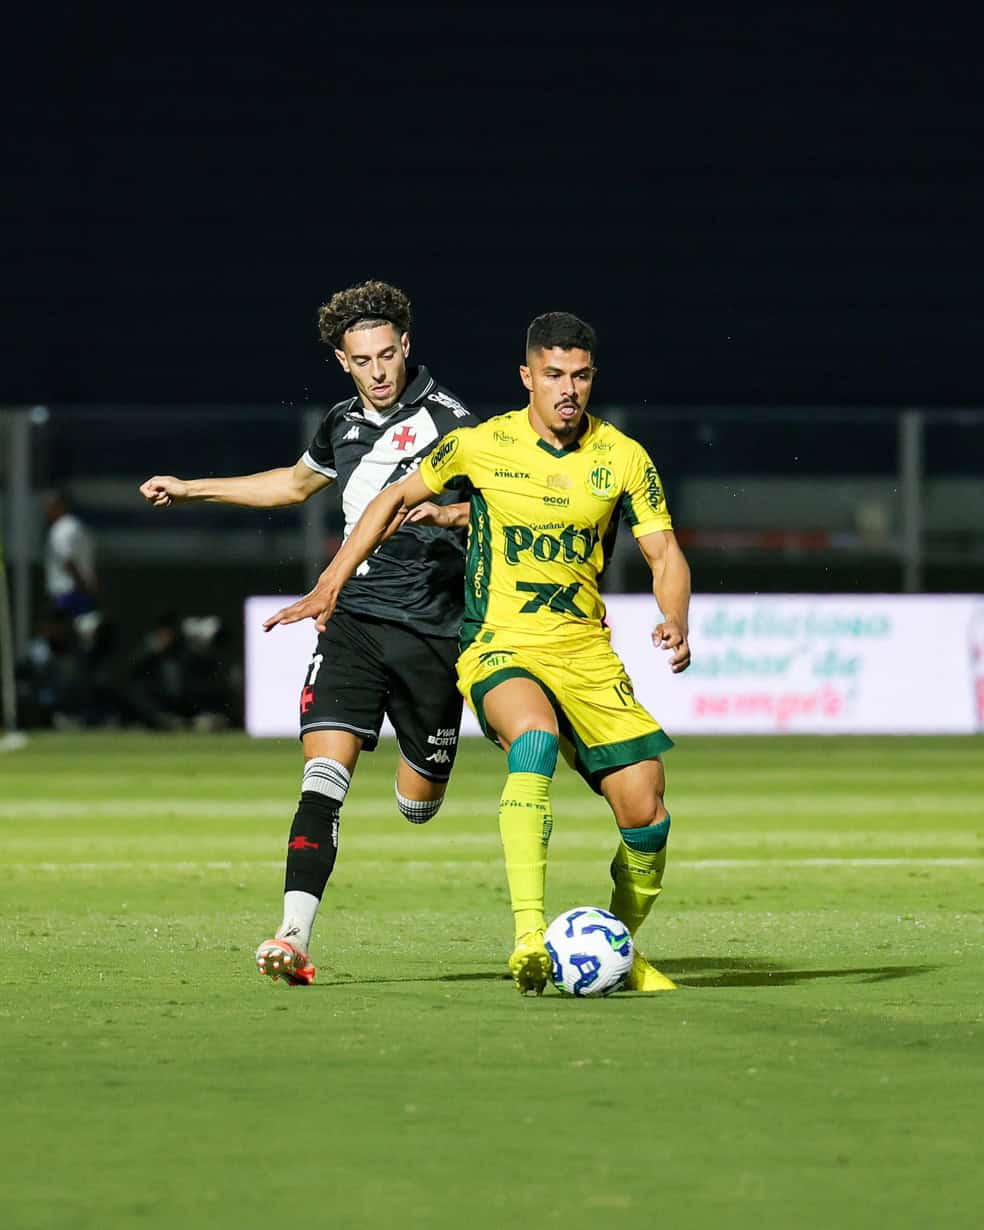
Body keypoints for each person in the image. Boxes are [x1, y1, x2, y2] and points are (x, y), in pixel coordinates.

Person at [266, 311, 692, 994]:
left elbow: (664, 551)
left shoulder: (624, 458)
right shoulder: (479, 443)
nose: (568, 389)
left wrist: (674, 614)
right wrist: (331, 583)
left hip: (585, 650)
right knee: (534, 739)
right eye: (554, 375)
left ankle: (616, 947)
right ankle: (529, 936)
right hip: (500, 641)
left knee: (647, 809)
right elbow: (390, 498)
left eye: (580, 376)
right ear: (528, 377)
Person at [139, 280, 476, 985]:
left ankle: (423, 766)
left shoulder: (456, 426)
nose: (379, 372)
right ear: (341, 361)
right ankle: (292, 937)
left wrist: (450, 518)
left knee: (420, 805)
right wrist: (192, 487)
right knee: (322, 780)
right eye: (363, 360)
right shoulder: (342, 423)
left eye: (388, 355)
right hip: (351, 622)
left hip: (431, 635)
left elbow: (503, 515)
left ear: (407, 347)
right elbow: (292, 486)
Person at [43, 490, 98, 617]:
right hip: (80, 590)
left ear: (59, 506)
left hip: (68, 593)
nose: (46, 511)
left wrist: (83, 587)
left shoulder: (60, 529)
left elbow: (67, 561)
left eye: (49, 506)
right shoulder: (78, 526)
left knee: (64, 632)